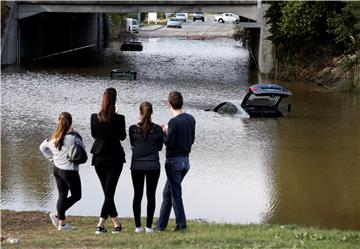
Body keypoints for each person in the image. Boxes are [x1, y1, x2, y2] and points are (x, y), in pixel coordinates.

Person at [157, 91, 196, 231]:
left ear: (169, 104)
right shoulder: (191, 119)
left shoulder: (173, 122)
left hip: (174, 162)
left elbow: (169, 143)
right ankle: (160, 226)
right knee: (167, 193)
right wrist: (170, 131)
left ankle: (181, 225)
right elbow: (191, 139)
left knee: (176, 194)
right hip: (186, 161)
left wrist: (163, 132)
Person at [39, 112, 84, 231]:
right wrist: (74, 134)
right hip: (69, 171)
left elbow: (42, 147)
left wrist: (52, 158)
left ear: (58, 122)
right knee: (77, 195)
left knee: (62, 195)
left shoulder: (53, 138)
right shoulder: (74, 136)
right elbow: (82, 148)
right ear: (70, 123)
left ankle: (62, 224)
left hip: (57, 169)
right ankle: (58, 215)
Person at [90, 87, 126, 234]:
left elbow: (94, 135)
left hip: (99, 157)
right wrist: (115, 115)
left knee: (108, 193)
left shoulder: (94, 117)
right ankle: (101, 225)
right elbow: (122, 137)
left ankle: (115, 225)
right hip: (115, 158)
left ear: (103, 101)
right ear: (115, 101)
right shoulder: (119, 118)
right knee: (109, 193)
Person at [129, 102, 164, 234]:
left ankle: (138, 226)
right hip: (153, 165)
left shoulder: (132, 129)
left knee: (137, 195)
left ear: (140, 112)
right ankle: (149, 226)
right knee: (151, 195)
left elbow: (133, 144)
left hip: (137, 165)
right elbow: (160, 147)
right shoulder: (158, 130)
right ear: (152, 113)